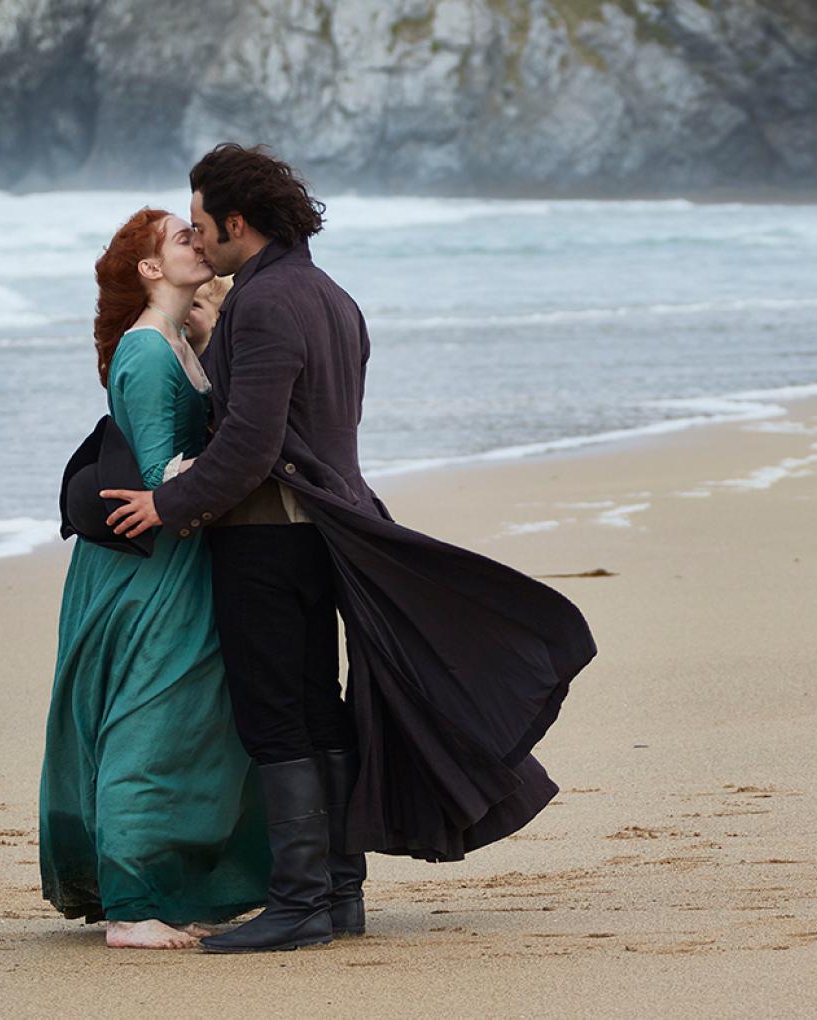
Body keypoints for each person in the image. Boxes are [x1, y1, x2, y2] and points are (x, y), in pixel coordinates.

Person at [103, 145, 596, 955]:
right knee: (318, 708)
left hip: (264, 540)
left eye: (202, 225)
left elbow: (250, 447)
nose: (200, 239)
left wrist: (168, 502)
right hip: (322, 534)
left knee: (276, 718)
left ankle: (300, 900)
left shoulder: (263, 305)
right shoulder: (332, 296)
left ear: (236, 221)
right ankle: (337, 894)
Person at [40, 208, 270, 950]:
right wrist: (254, 456)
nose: (197, 243)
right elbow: (158, 476)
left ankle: (157, 891)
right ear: (149, 269)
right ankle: (134, 908)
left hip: (177, 560)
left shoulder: (179, 339)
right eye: (182, 237)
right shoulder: (145, 351)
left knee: (180, 724)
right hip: (148, 572)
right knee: (149, 721)